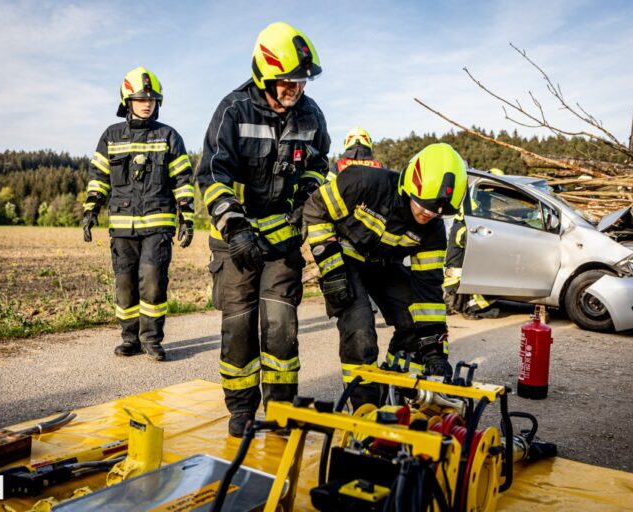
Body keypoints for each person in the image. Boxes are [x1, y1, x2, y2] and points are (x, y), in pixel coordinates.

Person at [196, 22, 330, 437]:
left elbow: (318, 165)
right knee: (238, 328)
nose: (296, 90)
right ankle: (240, 409)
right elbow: (211, 174)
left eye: (301, 82)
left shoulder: (311, 115)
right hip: (235, 243)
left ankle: (280, 410)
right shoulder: (233, 110)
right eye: (288, 82)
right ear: (265, 74)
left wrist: (305, 198)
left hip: (281, 243)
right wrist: (234, 228)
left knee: (281, 328)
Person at [303, 143, 466, 408]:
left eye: (437, 211)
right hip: (344, 259)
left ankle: (396, 394)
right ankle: (365, 408)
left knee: (414, 318)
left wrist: (434, 349)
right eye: (424, 205)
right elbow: (315, 210)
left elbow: (428, 289)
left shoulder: (433, 230)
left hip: (383, 265)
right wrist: (331, 271)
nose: (428, 214)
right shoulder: (365, 182)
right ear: (409, 185)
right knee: (360, 328)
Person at [82, 66, 194, 362]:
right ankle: (129, 338)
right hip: (121, 225)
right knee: (125, 284)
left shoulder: (169, 136)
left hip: (158, 225)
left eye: (152, 99)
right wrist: (91, 208)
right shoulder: (111, 135)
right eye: (141, 98)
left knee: (153, 279)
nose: (147, 103)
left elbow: (182, 179)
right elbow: (99, 176)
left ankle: (152, 340)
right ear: (127, 101)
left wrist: (188, 217)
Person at [443, 168, 501, 320]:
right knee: (490, 281)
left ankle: (466, 306)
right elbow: (472, 244)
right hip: (457, 285)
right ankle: (468, 308)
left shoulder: (462, 224)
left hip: (461, 280)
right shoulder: (462, 229)